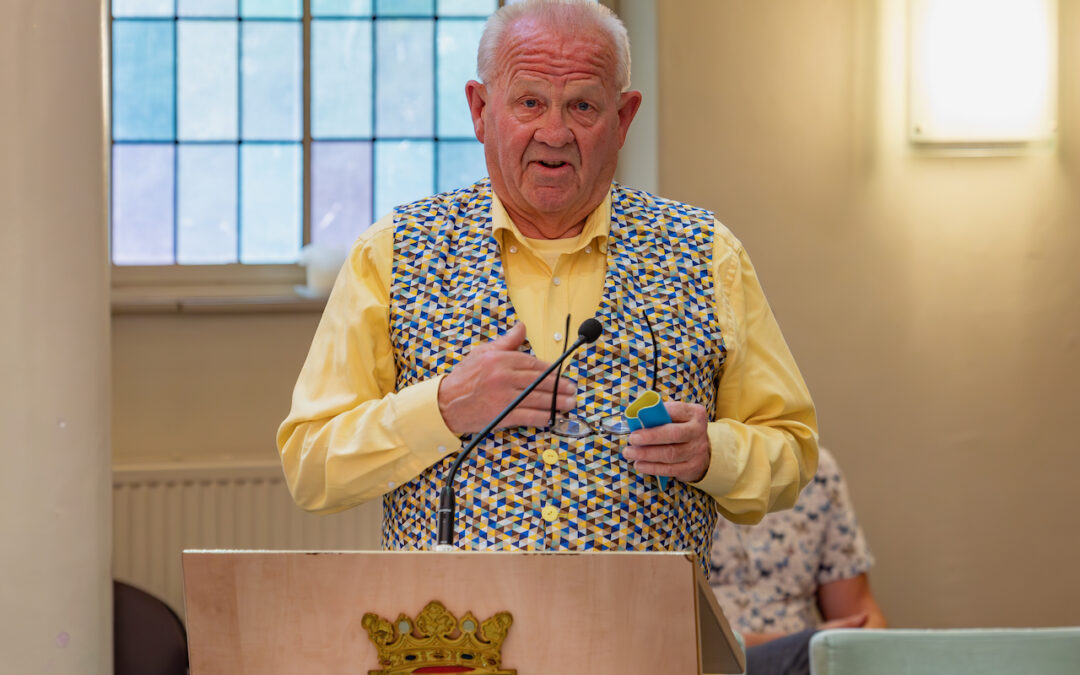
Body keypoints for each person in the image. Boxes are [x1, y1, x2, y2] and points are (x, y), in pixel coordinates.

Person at [277, 0, 817, 572]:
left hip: (643, 624)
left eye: (582, 106)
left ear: (623, 118)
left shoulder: (705, 253)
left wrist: (714, 453)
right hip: (458, 625)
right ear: (481, 110)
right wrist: (442, 409)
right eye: (530, 102)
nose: (555, 133)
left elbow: (791, 450)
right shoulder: (392, 252)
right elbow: (311, 466)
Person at [709, 447, 887, 674]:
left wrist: (864, 640)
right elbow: (675, 633)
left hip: (807, 660)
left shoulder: (812, 466)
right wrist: (797, 644)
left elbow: (858, 610)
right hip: (704, 662)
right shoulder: (671, 466)